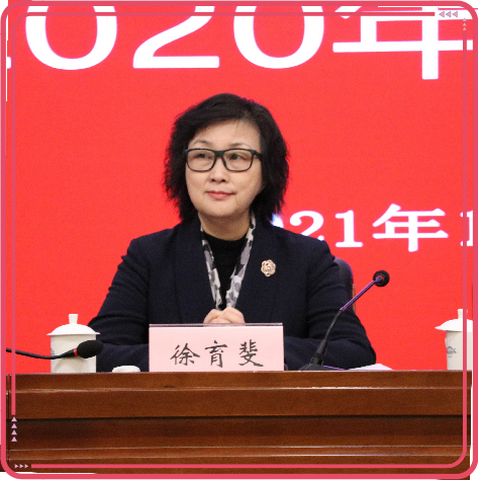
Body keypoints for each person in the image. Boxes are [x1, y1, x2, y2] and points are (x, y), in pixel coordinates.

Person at [89, 93, 376, 372]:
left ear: (266, 174)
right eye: (202, 156)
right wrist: (198, 349)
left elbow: (354, 351)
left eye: (237, 157)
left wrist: (252, 347)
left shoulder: (307, 258)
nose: (218, 174)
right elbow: (96, 353)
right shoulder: (149, 256)